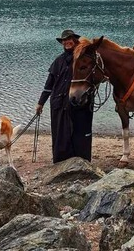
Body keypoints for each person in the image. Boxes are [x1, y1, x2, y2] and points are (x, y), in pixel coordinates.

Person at [35, 29, 93, 163]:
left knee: (79, 132)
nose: (67, 42)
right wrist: (40, 103)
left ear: (75, 41)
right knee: (60, 133)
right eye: (64, 41)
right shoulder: (58, 61)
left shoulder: (82, 59)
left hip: (78, 102)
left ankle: (81, 161)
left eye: (69, 40)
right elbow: (49, 84)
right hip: (58, 102)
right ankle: (60, 161)